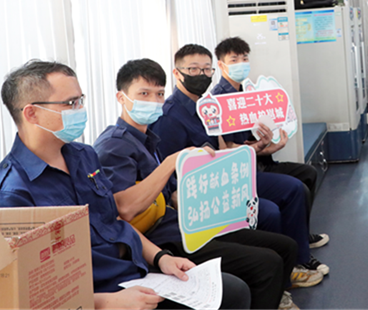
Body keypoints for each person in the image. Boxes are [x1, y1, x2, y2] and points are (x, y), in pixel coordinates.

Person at [0, 60, 252, 310]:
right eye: (71, 103)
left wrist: (161, 257)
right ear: (32, 113)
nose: (80, 110)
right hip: (95, 294)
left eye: (81, 100)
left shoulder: (83, 156)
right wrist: (103, 302)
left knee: (230, 289)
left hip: (133, 270)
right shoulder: (10, 192)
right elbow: (19, 291)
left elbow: (112, 220)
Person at [93, 58, 299, 310]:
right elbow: (125, 208)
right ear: (121, 97)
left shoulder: (147, 139)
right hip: (159, 237)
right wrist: (172, 162)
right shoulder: (114, 146)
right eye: (144, 94)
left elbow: (169, 193)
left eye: (159, 94)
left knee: (285, 247)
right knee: (267, 262)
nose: (153, 101)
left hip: (182, 222)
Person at [149, 44, 326, 285]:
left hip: (230, 174)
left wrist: (260, 147)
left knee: (295, 187)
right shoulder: (169, 117)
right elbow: (173, 172)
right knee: (269, 211)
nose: (201, 75)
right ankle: (283, 277)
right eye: (193, 69)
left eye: (206, 70)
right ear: (177, 73)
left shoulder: (206, 106)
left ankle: (298, 259)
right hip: (206, 191)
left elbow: (223, 148)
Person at [211, 37, 328, 250]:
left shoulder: (248, 93)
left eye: (244, 58)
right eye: (234, 60)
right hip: (244, 170)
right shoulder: (220, 100)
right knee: (298, 188)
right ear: (221, 65)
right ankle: (297, 246)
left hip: (260, 160)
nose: (241, 64)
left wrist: (270, 146)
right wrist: (260, 148)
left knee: (308, 173)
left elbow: (254, 139)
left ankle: (300, 234)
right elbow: (228, 149)